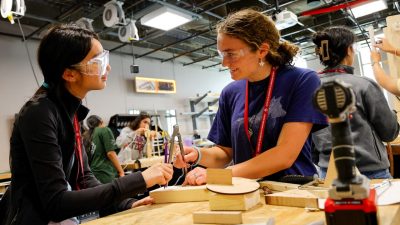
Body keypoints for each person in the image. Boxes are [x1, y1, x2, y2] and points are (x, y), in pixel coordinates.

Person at [2, 24, 173, 225]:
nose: (107, 67)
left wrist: (124, 203)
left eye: (105, 58)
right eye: (98, 61)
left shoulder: (70, 115)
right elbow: (56, 202)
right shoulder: (39, 113)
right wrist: (139, 180)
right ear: (69, 74)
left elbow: (83, 178)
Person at [175, 9, 328, 185]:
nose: (224, 63)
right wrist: (198, 154)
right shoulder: (230, 92)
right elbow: (225, 153)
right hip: (244, 191)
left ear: (262, 50)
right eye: (221, 54)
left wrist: (221, 175)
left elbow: (284, 154)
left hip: (292, 190)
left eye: (231, 54)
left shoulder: (302, 80)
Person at [312, 26, 399, 179]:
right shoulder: (363, 85)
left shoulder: (309, 89)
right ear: (348, 50)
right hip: (369, 172)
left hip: (327, 174)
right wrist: (392, 115)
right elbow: (389, 133)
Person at [83, 115, 125, 184]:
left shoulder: (87, 136)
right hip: (105, 174)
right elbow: (111, 153)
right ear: (101, 121)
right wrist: (121, 172)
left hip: (93, 175)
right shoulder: (104, 130)